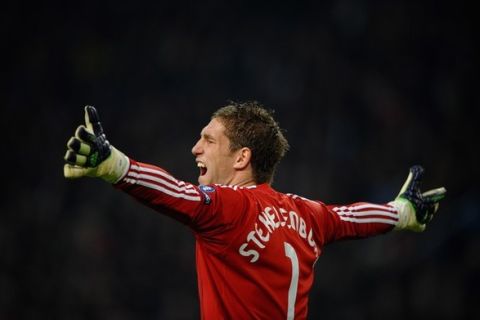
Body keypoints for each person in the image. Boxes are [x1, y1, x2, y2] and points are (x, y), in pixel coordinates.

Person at [63, 102, 446, 319]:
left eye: (208, 140)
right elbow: (351, 219)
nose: (195, 149)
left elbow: (174, 192)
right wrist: (401, 213)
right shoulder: (306, 213)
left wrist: (113, 163)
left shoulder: (230, 208)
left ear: (242, 157)